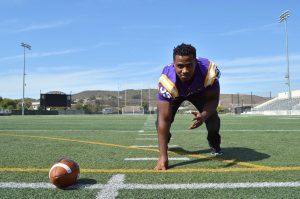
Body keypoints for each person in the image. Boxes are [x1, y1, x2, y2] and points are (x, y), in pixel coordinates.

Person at [155, 43, 221, 170]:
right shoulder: (168, 81)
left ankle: (214, 143)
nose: (185, 71)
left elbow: (213, 100)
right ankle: (165, 143)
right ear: (173, 64)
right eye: (180, 66)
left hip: (199, 91)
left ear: (195, 62)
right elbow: (164, 119)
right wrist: (163, 156)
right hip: (176, 93)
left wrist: (203, 116)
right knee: (160, 122)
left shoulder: (208, 72)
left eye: (189, 65)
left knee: (212, 120)